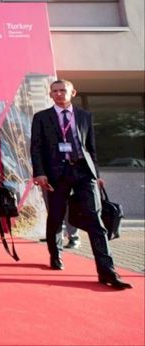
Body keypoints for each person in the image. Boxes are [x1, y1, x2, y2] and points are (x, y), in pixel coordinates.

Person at [31, 79, 131, 290]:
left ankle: (107, 271)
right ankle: (56, 254)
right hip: (56, 174)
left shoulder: (84, 116)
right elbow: (36, 147)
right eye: (55, 91)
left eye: (63, 90)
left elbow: (90, 148)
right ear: (50, 95)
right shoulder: (41, 117)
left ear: (73, 92)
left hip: (84, 172)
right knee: (56, 216)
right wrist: (39, 173)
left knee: (95, 220)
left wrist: (97, 174)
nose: (59, 94)